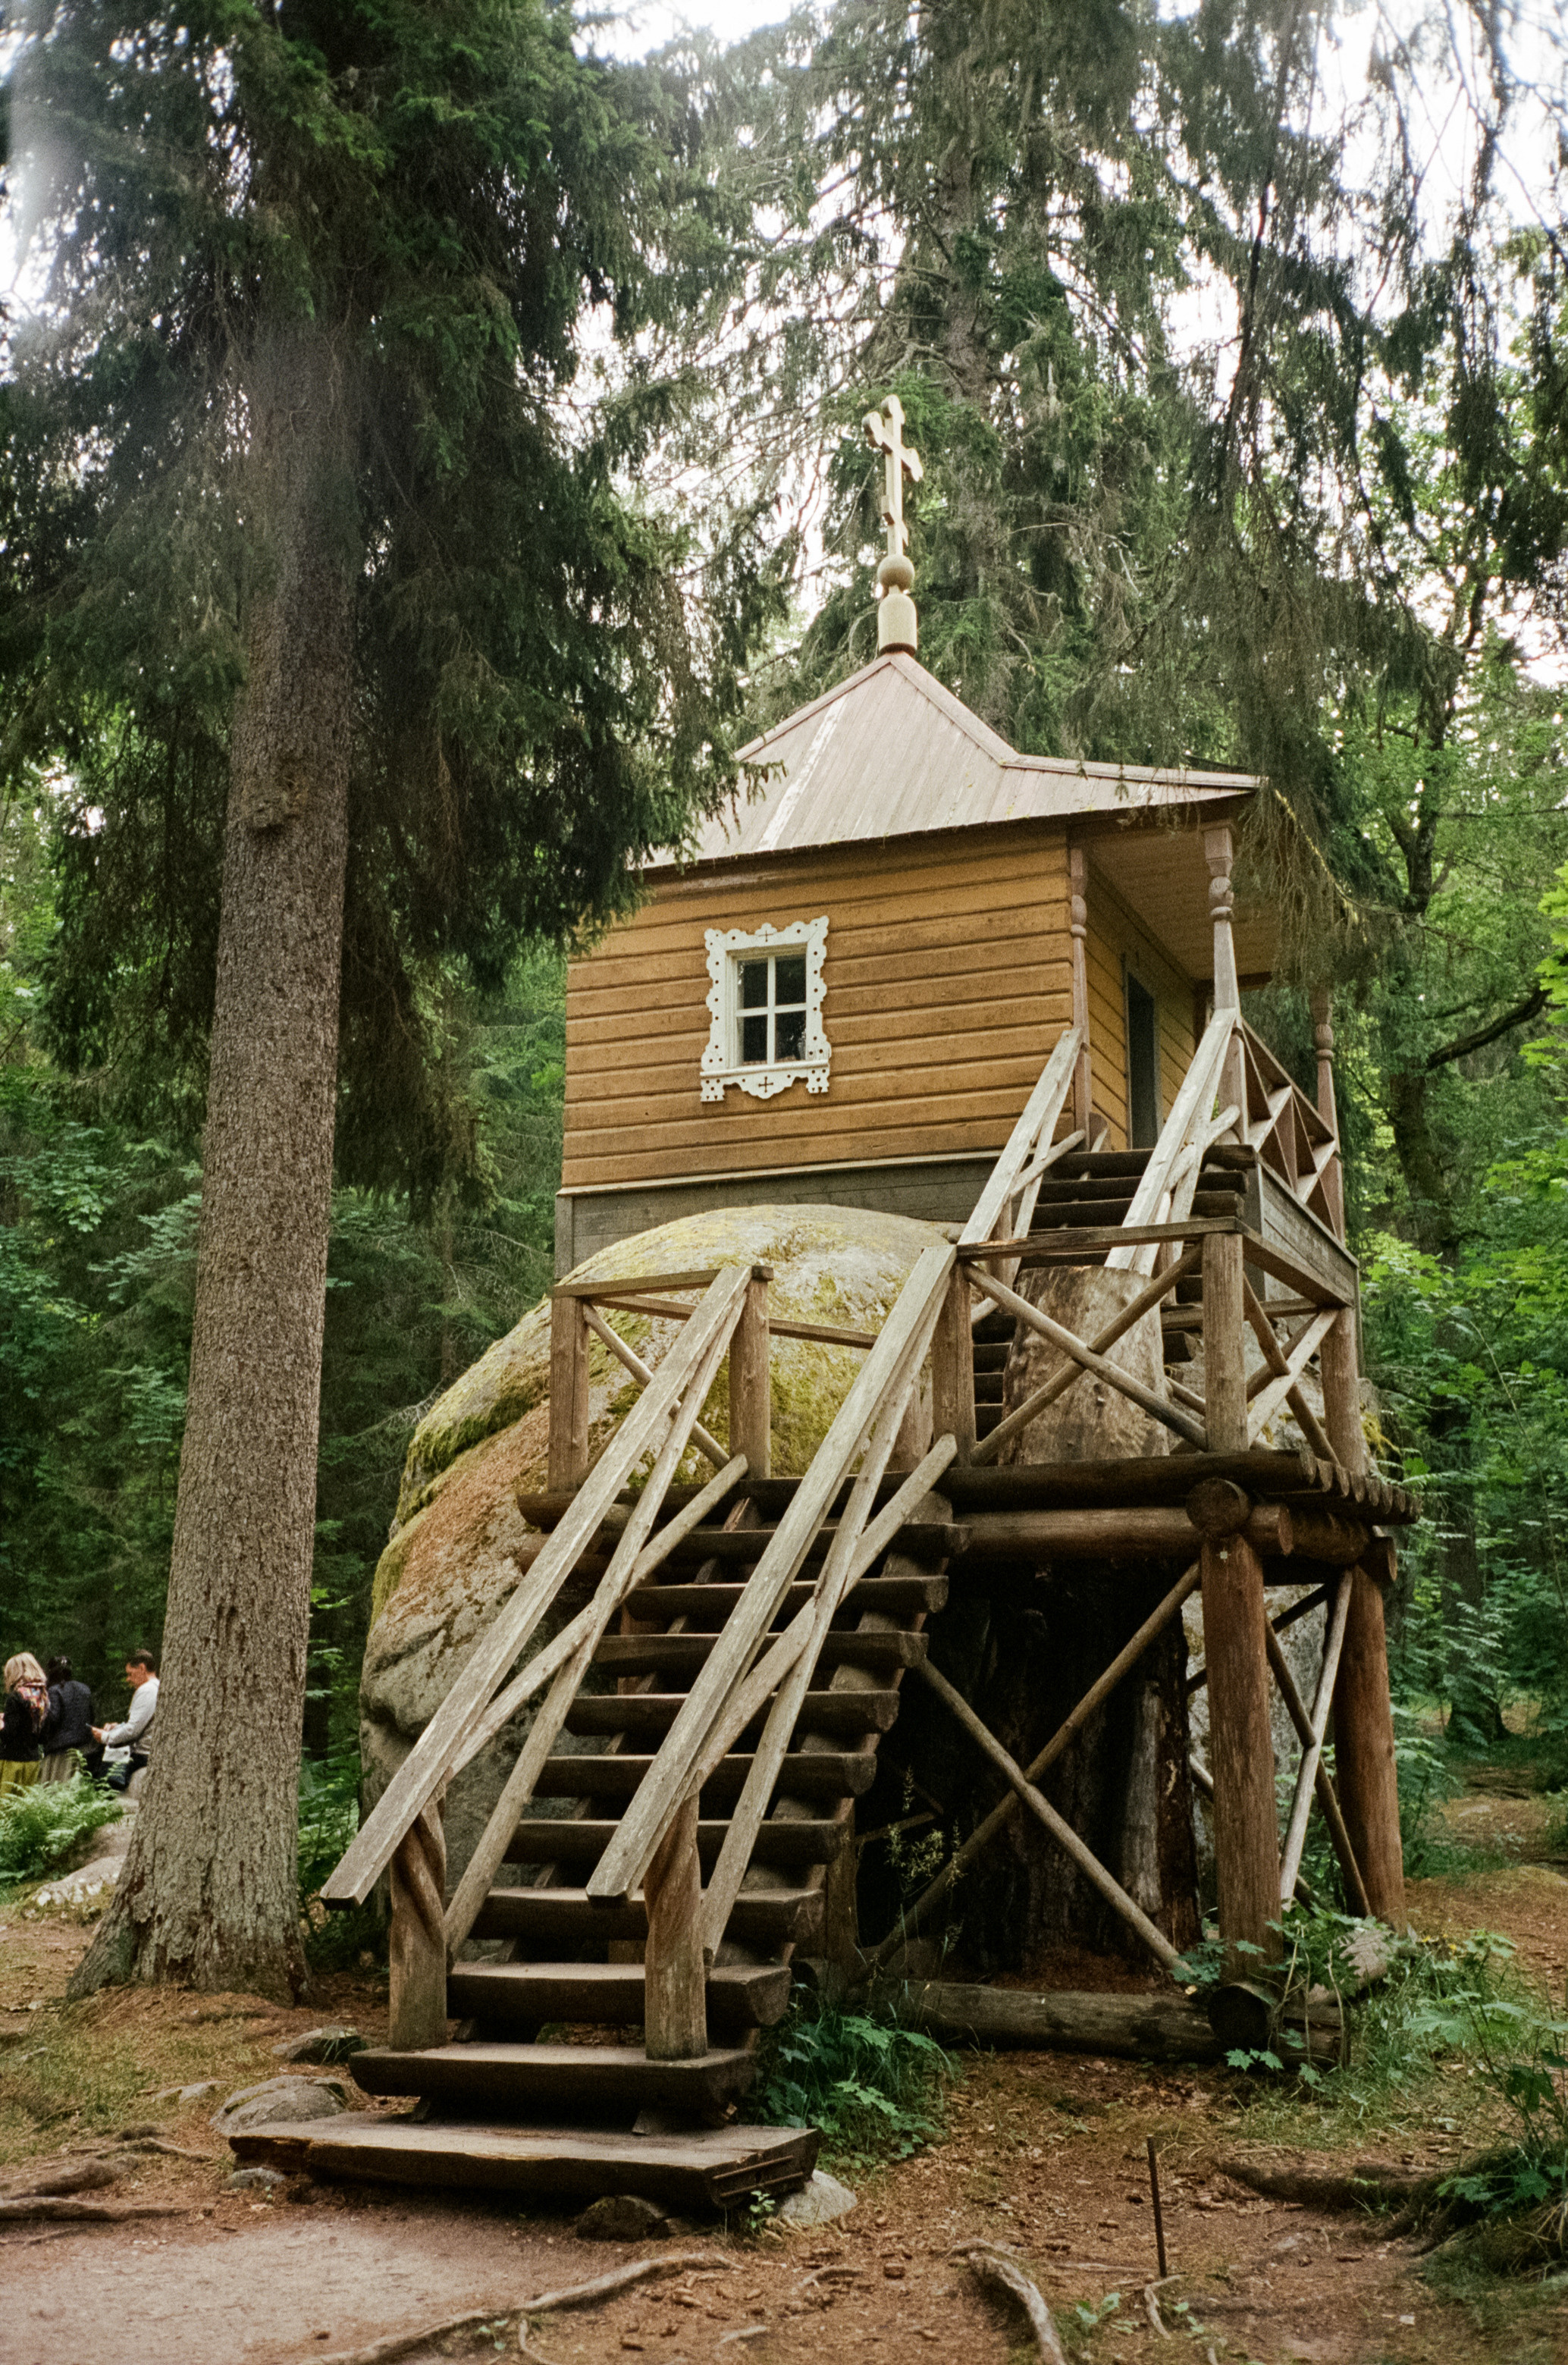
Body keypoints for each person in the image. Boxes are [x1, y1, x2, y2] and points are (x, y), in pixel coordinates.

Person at [92, 1650, 159, 1792]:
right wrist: (118, 1727)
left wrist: (105, 1737)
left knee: (99, 1775)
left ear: (142, 1668)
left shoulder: (147, 1690)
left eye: (130, 1674)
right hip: (148, 1751)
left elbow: (132, 1730)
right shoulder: (156, 1688)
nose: (128, 1679)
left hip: (142, 1754)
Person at [1, 1653, 49, 1800]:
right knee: (26, 1808)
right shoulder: (42, 1697)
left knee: (6, 1808)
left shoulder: (16, 1698)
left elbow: (10, 1734)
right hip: (33, 1760)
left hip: (13, 1762)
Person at [39, 1657, 95, 1784]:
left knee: (55, 1788)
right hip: (82, 1749)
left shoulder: (54, 1690)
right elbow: (91, 1717)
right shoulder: (85, 1689)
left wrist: (42, 1737)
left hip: (59, 1753)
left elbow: (53, 1719)